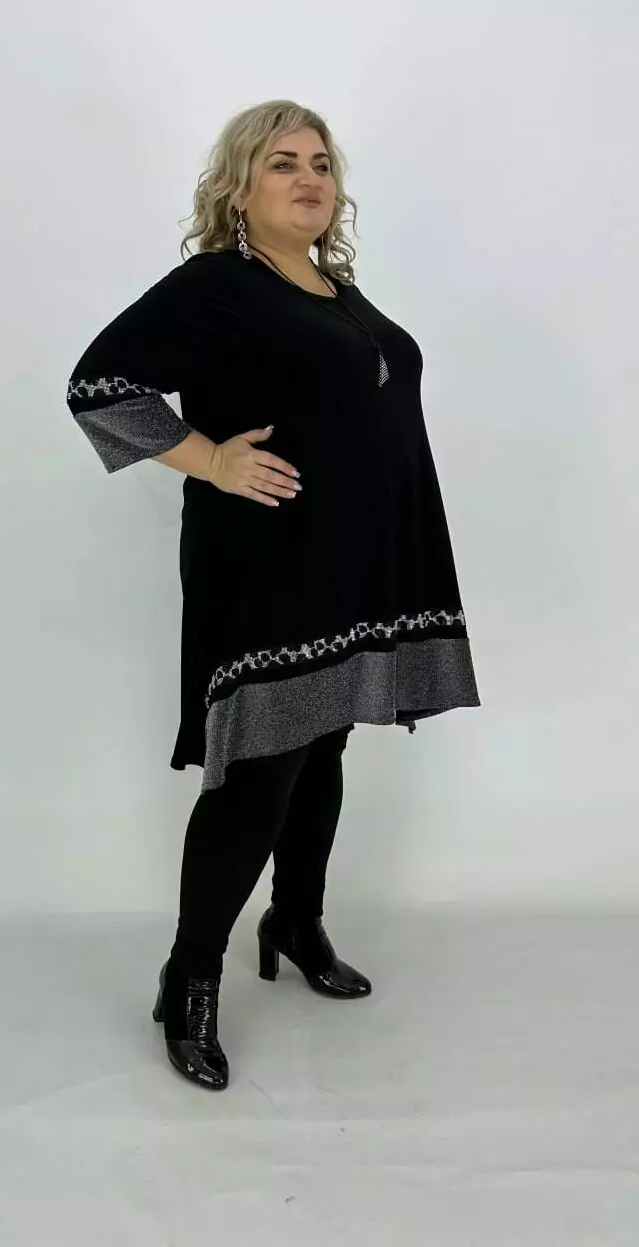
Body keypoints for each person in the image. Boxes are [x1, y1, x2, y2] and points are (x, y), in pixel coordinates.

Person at [65, 99, 481, 1092]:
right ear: (239, 187)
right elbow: (99, 385)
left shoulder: (337, 289)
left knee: (325, 739)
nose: (309, 178)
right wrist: (211, 458)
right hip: (270, 559)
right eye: (284, 162)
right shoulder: (219, 284)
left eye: (322, 163)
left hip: (360, 557)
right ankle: (190, 975)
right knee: (262, 763)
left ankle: (295, 919)